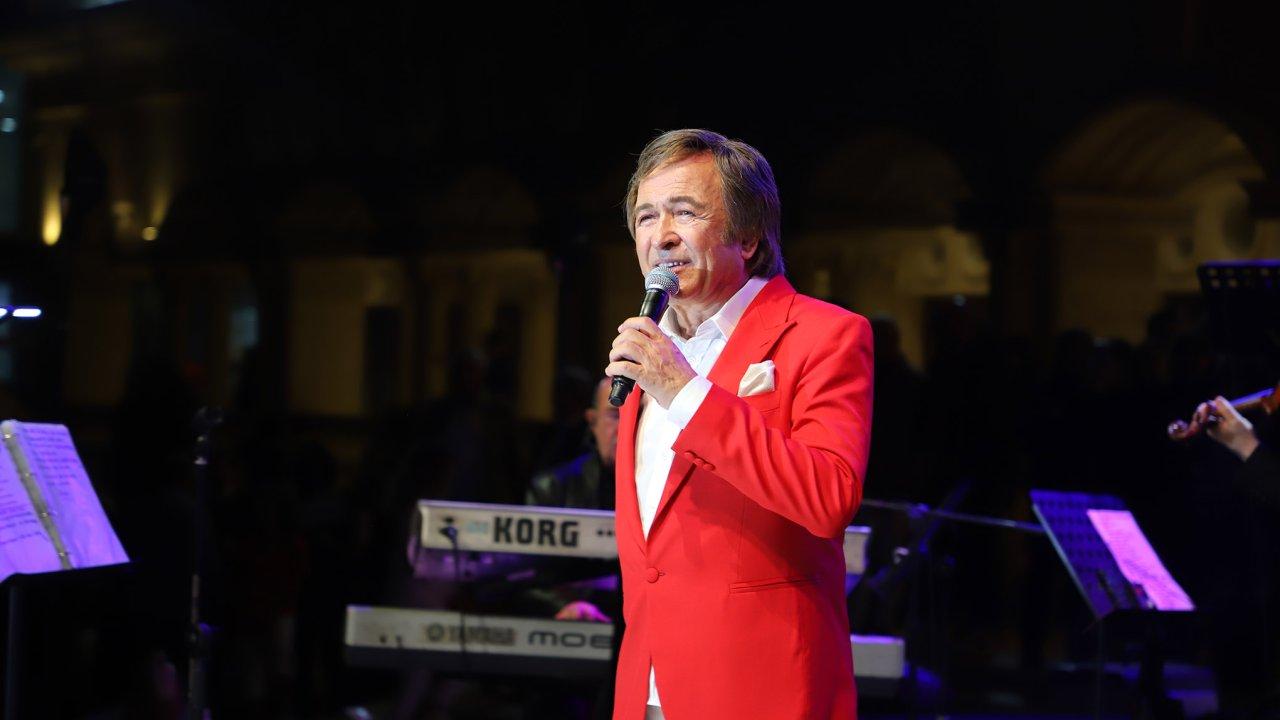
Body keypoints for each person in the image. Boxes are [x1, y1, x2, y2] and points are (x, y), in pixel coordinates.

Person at [605, 129, 873, 720]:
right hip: (648, 685)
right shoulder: (648, 350)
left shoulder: (824, 335)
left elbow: (829, 497)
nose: (661, 234)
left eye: (685, 212)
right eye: (646, 216)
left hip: (761, 687)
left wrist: (685, 392)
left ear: (748, 237)